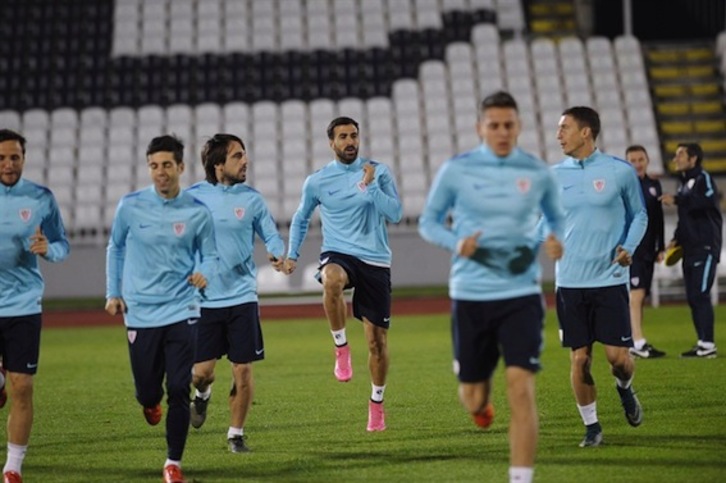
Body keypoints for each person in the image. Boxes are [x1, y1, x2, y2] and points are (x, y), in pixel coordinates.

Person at [419, 91, 565, 483]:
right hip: (471, 296)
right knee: (474, 396)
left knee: (521, 387)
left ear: (518, 126)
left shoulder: (536, 171)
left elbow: (556, 217)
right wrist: (457, 243)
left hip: (520, 295)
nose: (502, 132)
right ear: (480, 128)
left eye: (509, 125)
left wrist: (554, 238)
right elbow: (428, 222)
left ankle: (520, 478)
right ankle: (477, 399)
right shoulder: (456, 170)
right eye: (494, 125)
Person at [105, 135, 218, 483]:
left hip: (183, 309)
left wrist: (206, 274)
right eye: (154, 166)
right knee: (149, 391)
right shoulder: (130, 206)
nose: (160, 172)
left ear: (181, 167)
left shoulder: (197, 211)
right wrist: (114, 292)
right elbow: (116, 247)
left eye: (167, 165)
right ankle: (148, 400)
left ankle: (173, 463)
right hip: (140, 312)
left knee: (179, 388)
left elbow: (211, 255)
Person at [283, 116, 402, 432]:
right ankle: (341, 348)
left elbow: (396, 214)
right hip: (339, 253)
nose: (350, 141)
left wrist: (371, 185)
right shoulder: (318, 181)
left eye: (354, 136)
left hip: (376, 260)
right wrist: (292, 254)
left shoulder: (378, 171)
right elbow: (300, 218)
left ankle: (376, 403)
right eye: (343, 137)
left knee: (377, 343)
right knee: (332, 279)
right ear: (331, 143)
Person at [552, 107, 648, 448]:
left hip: (609, 280)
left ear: (586, 132)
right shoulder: (553, 175)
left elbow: (639, 215)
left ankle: (624, 389)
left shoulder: (619, 172)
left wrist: (629, 246)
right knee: (580, 359)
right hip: (569, 284)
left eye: (564, 128)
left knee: (618, 360)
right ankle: (592, 427)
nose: (558, 134)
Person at [185, 134, 285, 453]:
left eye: (245, 154)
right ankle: (201, 396)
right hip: (205, 300)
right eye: (237, 156)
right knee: (201, 374)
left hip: (242, 297)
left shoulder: (252, 199)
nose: (246, 161)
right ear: (218, 166)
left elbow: (271, 233)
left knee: (243, 370)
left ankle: (235, 434)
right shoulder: (192, 199)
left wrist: (276, 252)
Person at [0, 129, 70, 483]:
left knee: (23, 386)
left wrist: (49, 250)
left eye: (15, 157)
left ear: (24, 159)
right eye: (1, 158)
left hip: (23, 304)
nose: (9, 164)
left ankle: (13, 466)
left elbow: (62, 244)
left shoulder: (41, 198)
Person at [660, 142, 722, 358]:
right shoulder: (684, 183)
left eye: (680, 155)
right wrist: (676, 239)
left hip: (705, 246)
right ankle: (702, 342)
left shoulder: (702, 178)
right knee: (694, 297)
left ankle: (708, 344)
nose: (676, 159)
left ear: (693, 158)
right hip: (689, 248)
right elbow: (685, 217)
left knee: (701, 294)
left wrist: (678, 199)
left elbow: (709, 200)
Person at [625, 145, 666, 358]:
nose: (637, 163)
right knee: (636, 295)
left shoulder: (654, 185)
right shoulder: (624, 186)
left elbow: (659, 219)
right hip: (633, 250)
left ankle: (637, 341)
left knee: (641, 296)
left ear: (647, 160)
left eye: (640, 159)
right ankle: (636, 342)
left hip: (649, 249)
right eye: (632, 160)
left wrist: (661, 247)